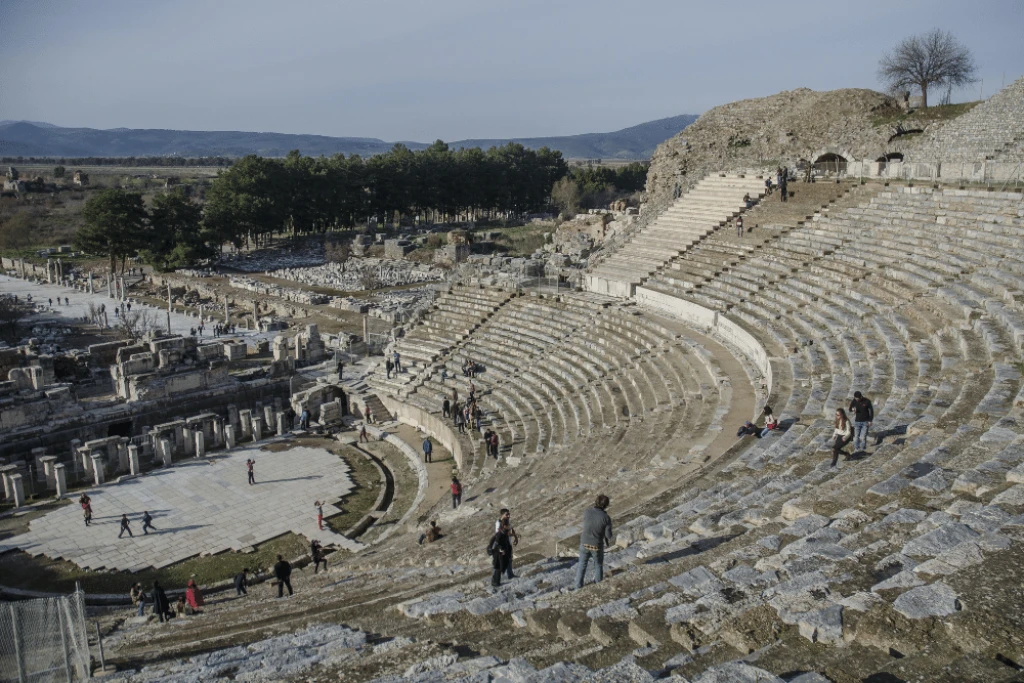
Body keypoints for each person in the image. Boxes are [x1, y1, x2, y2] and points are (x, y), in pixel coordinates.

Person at [575, 495, 613, 589]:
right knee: (598, 565)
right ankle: (598, 585)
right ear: (606, 505)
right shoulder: (606, 517)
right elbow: (608, 536)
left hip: (584, 542)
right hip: (596, 545)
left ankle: (577, 587)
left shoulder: (587, 512)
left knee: (582, 566)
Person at [495, 509, 519, 579]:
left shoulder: (508, 521)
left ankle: (510, 574)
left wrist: (515, 537)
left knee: (509, 559)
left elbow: (511, 528)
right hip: (502, 544)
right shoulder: (498, 523)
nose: (509, 516)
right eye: (507, 514)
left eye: (509, 514)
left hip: (508, 543)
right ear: (502, 515)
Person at [487, 522, 512, 588]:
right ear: (504, 526)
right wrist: (500, 549)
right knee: (497, 566)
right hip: (497, 553)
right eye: (508, 525)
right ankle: (495, 582)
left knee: (500, 566)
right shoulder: (499, 534)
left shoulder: (504, 533)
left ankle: (497, 581)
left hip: (501, 553)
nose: (509, 527)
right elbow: (496, 544)